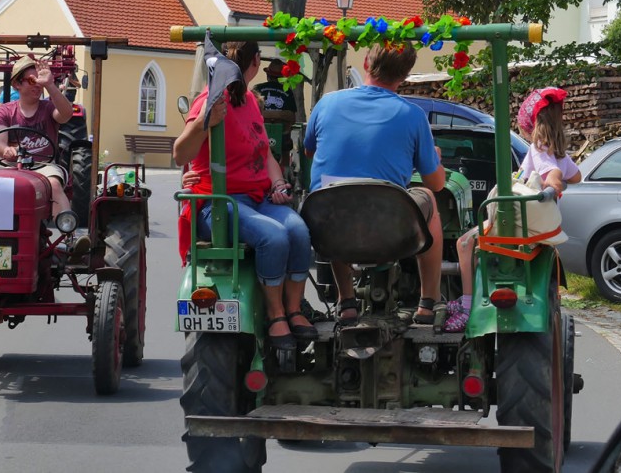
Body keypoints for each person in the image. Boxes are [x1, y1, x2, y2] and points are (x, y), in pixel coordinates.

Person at [173, 40, 316, 352]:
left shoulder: (251, 100)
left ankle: (294, 309)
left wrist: (278, 185)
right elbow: (179, 152)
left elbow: (265, 153)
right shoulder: (209, 102)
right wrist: (202, 123)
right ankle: (276, 316)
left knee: (299, 231)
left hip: (258, 198)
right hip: (219, 203)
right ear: (255, 63)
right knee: (274, 238)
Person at [303, 42, 448, 327]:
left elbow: (309, 151)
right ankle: (428, 301)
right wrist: (436, 159)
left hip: (332, 226)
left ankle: (346, 302)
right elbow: (437, 182)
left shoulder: (327, 104)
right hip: (389, 226)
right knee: (429, 197)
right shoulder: (413, 115)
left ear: (366, 64)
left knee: (335, 198)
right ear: (405, 76)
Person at [447, 87, 581, 331]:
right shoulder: (557, 151)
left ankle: (467, 305)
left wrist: (551, 184)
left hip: (521, 221)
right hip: (536, 223)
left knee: (465, 243)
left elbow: (554, 175)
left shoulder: (538, 148)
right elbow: (577, 176)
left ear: (530, 125)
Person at [0, 55, 73, 218]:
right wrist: (6, 150)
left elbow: (66, 114)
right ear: (17, 84)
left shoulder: (48, 108)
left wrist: (50, 85)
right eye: (32, 81)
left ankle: (67, 231)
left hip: (43, 165)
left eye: (40, 81)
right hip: (9, 165)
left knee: (54, 185)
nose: (38, 85)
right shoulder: (4, 111)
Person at [253, 58, 298, 167]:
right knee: (286, 147)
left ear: (268, 75)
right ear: (282, 77)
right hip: (282, 135)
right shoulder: (287, 91)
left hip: (259, 134)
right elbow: (292, 117)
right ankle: (285, 172)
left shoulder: (257, 89)